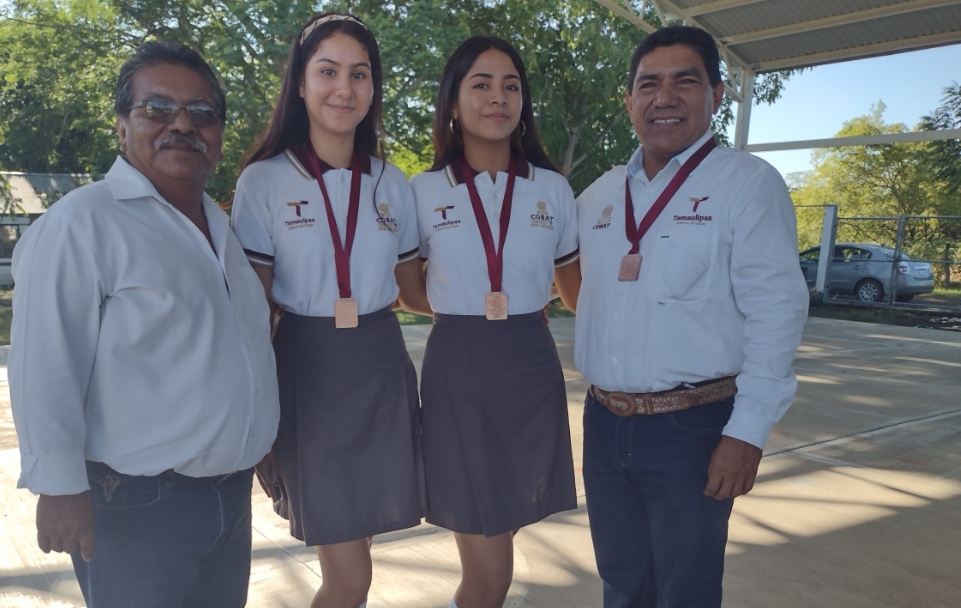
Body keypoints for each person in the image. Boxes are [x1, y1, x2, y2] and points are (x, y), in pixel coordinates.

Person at [7, 41, 279, 607]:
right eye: (157, 108)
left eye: (202, 112)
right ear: (122, 126)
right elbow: (44, 362)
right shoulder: (82, 224)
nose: (182, 124)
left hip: (229, 500)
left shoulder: (221, 230)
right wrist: (59, 486)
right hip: (135, 505)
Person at [572, 25, 809, 608]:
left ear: (716, 94)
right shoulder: (598, 196)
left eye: (685, 81)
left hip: (693, 430)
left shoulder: (746, 185)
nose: (665, 97)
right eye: (648, 84)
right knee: (622, 583)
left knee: (686, 590)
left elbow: (776, 312)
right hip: (604, 423)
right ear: (629, 100)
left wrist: (747, 432)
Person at [230, 13, 429, 608]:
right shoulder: (264, 181)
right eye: (328, 71)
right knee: (350, 577)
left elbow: (415, 292)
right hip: (306, 375)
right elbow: (253, 310)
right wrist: (257, 408)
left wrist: (514, 299)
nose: (344, 88)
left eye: (359, 74)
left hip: (382, 368)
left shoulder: (393, 183)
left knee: (358, 553)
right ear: (300, 82)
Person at [410, 36, 579, 608]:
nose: (498, 97)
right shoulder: (422, 191)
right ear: (453, 103)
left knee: (502, 534)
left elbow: (576, 293)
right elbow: (408, 289)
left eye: (511, 86)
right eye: (480, 84)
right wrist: (467, 310)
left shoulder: (552, 189)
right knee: (489, 571)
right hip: (458, 369)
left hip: (531, 365)